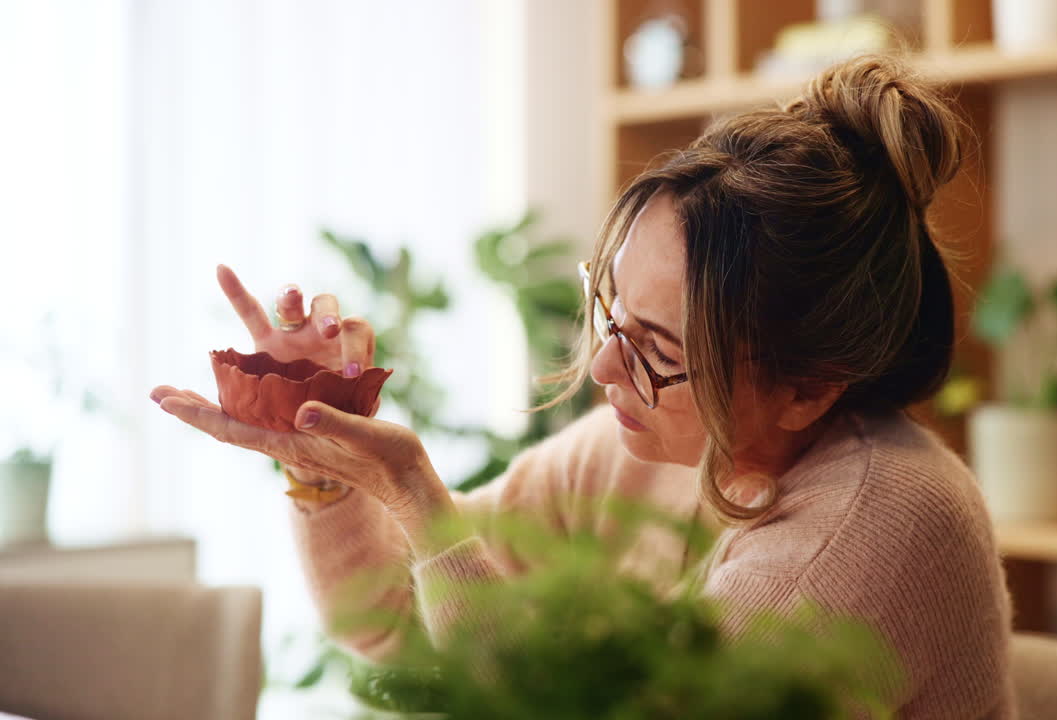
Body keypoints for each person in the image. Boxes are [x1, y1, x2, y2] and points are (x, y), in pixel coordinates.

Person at [151, 54, 1013, 717]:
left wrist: (421, 501)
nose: (603, 368)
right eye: (613, 314)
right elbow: (397, 628)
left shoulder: (877, 523)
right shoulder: (644, 448)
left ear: (807, 389)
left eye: (657, 347)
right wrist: (330, 467)